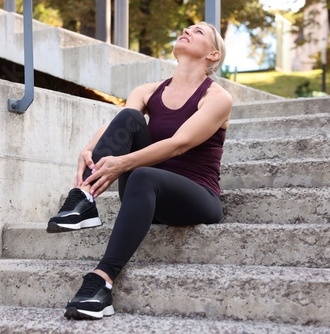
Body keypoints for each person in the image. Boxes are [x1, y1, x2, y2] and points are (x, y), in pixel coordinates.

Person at [47, 21, 233, 320]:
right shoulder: (147, 91)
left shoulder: (217, 98)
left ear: (212, 55)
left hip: (196, 195)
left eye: (198, 32)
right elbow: (118, 125)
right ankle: (84, 197)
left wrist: (123, 163)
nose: (187, 30)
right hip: (144, 195)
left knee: (145, 174)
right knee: (131, 117)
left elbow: (179, 144)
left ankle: (102, 280)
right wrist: (89, 150)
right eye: (186, 27)